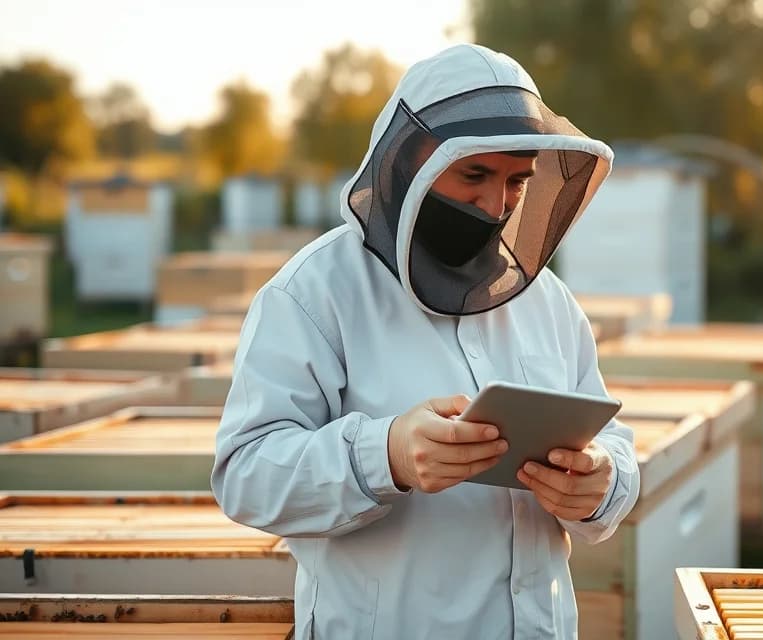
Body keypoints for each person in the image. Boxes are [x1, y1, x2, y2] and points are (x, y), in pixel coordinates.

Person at [211, 44, 640, 639]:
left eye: (517, 181)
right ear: (410, 158)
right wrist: (383, 455)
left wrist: (602, 482)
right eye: (474, 175)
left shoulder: (547, 301)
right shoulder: (313, 294)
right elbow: (245, 476)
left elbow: (608, 440)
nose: (495, 205)